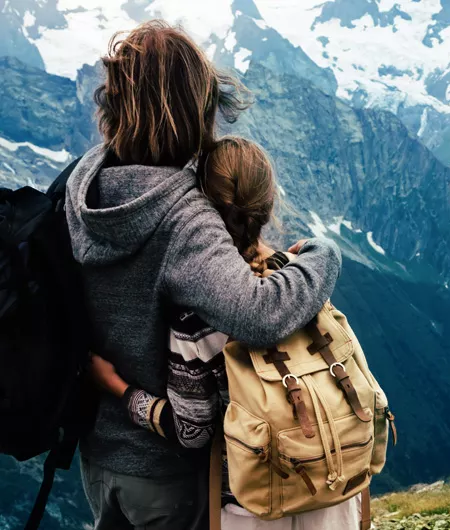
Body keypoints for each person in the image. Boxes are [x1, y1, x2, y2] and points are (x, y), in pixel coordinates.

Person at [66, 22, 342, 530]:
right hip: (166, 470)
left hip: (98, 456)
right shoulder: (182, 214)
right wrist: (323, 255)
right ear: (190, 109)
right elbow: (260, 313)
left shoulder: (83, 184)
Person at [90, 137, 362, 529]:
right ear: (268, 205)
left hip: (257, 502)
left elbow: (192, 431)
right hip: (334, 487)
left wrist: (119, 390)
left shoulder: (197, 313)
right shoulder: (301, 279)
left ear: (202, 206)